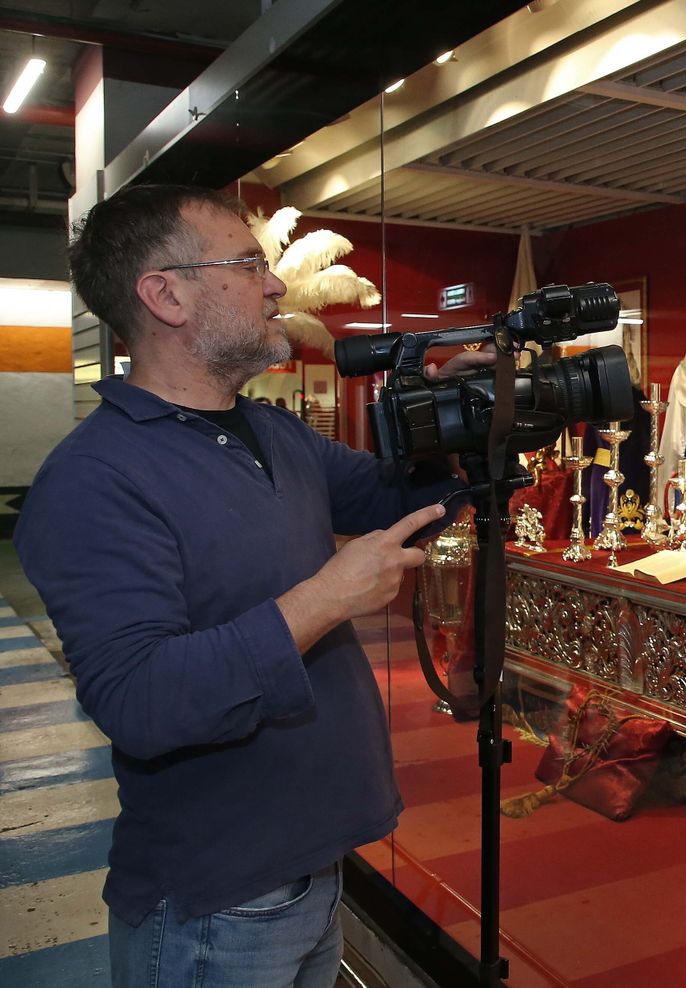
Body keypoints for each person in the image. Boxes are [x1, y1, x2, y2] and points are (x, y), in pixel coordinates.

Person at [14, 184, 493, 988]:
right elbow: (140, 700)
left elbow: (389, 499)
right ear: (165, 296)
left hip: (313, 870)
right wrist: (326, 599)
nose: (273, 285)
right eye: (246, 265)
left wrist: (462, 423)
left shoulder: (271, 431)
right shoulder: (95, 479)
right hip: (214, 904)